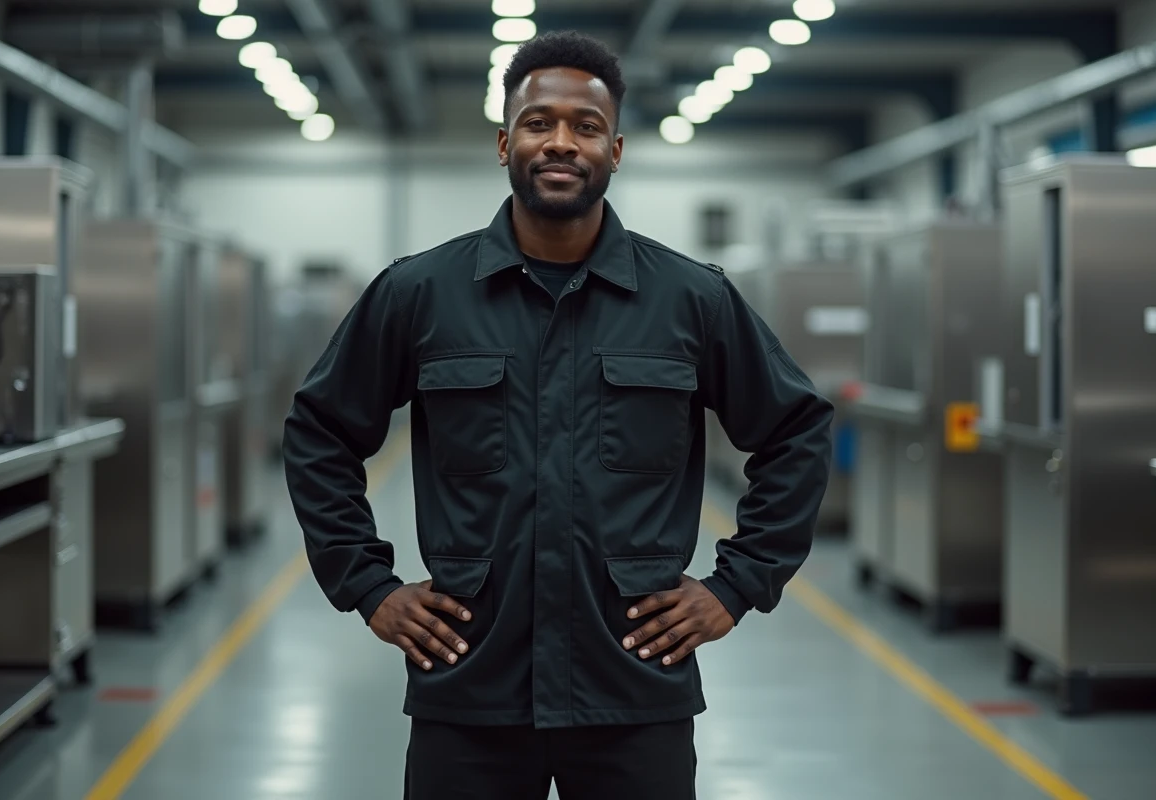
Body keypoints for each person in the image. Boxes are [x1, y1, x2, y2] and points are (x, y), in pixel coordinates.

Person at [283, 30, 834, 800]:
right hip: (468, 684)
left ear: (617, 148)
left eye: (585, 126)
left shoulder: (689, 300)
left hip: (635, 687)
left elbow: (797, 429)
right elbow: (320, 432)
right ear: (505, 141)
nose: (561, 142)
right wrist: (369, 586)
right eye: (540, 123)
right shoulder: (420, 294)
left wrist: (735, 586)